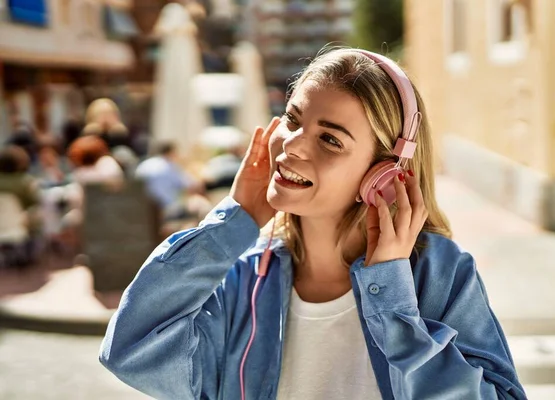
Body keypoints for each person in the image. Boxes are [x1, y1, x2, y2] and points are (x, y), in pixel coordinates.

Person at [100, 48, 527, 399]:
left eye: (330, 138)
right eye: (292, 119)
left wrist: (394, 305)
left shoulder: (437, 273)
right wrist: (232, 223)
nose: (292, 145)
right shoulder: (244, 276)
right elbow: (131, 350)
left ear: (384, 175)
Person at [135, 141, 205, 221]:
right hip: (167, 208)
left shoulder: (145, 164)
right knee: (201, 206)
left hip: (144, 208)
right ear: (171, 152)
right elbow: (191, 185)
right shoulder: (170, 166)